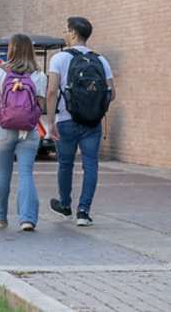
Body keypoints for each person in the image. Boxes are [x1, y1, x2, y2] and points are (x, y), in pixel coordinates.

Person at [46, 16, 115, 227]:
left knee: (65, 164)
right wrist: (95, 109)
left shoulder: (59, 59)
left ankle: (65, 205)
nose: (64, 34)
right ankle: (84, 211)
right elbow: (111, 93)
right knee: (90, 165)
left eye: (65, 30)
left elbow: (51, 92)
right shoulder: (100, 60)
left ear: (73, 33)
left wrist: (50, 122)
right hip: (92, 122)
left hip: (66, 119)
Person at [0, 34, 48, 231]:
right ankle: (27, 219)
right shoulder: (38, 75)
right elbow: (41, 106)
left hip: (4, 129)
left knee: (3, 174)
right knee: (26, 174)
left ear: (10, 50)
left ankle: (1, 216)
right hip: (29, 131)